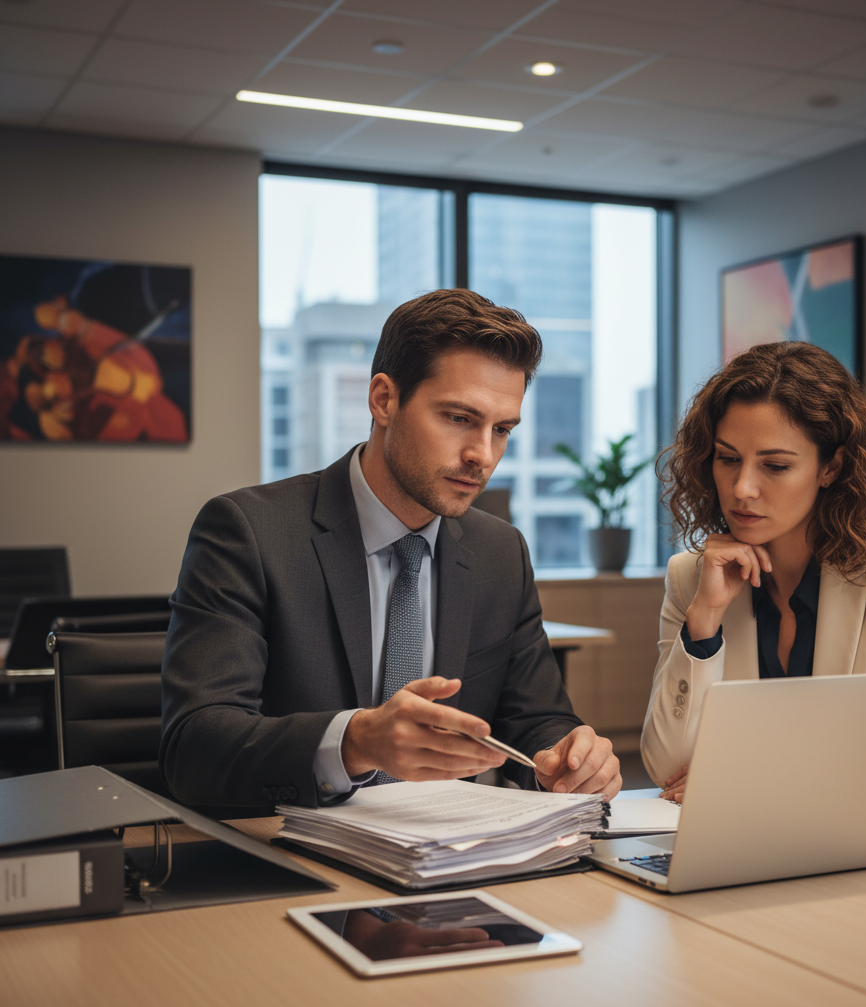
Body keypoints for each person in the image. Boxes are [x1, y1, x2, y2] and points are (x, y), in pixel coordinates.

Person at [160, 289, 621, 809]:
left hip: (451, 858)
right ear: (384, 400)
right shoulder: (249, 531)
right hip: (291, 857)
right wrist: (355, 741)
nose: (482, 455)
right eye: (458, 418)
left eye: (502, 430)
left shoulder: (500, 552)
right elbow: (193, 746)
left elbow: (537, 720)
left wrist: (571, 759)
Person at [641, 341, 866, 813]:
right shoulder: (693, 576)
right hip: (749, 848)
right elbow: (665, 768)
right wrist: (704, 624)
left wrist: (743, 775)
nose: (741, 489)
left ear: (830, 467)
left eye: (775, 466)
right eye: (728, 458)